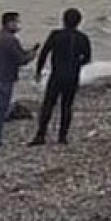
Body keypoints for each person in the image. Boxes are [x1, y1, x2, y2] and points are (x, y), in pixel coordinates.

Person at [30, 8, 92, 146]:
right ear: (79, 22)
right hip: (72, 75)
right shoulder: (82, 38)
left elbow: (44, 53)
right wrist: (77, 64)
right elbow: (87, 58)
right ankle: (62, 137)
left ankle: (41, 135)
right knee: (67, 106)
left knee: (48, 104)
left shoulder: (56, 35)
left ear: (63, 20)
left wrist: (38, 71)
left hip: (57, 74)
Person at [0, 12, 39, 149]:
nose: (18, 25)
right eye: (16, 22)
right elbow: (21, 60)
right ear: (9, 23)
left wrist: (26, 53)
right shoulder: (10, 39)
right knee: (0, 111)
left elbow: (15, 54)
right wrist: (32, 55)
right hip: (4, 78)